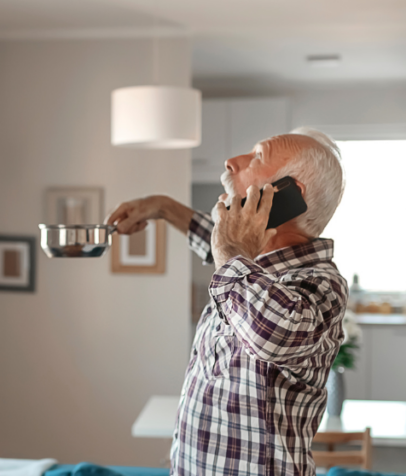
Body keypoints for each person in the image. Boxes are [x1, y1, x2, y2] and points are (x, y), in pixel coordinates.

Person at [107, 128, 347, 476]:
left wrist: (230, 251)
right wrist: (161, 207)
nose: (232, 162)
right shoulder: (247, 268)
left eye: (257, 156)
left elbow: (271, 331)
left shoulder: (320, 284)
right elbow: (222, 248)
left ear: (289, 195)